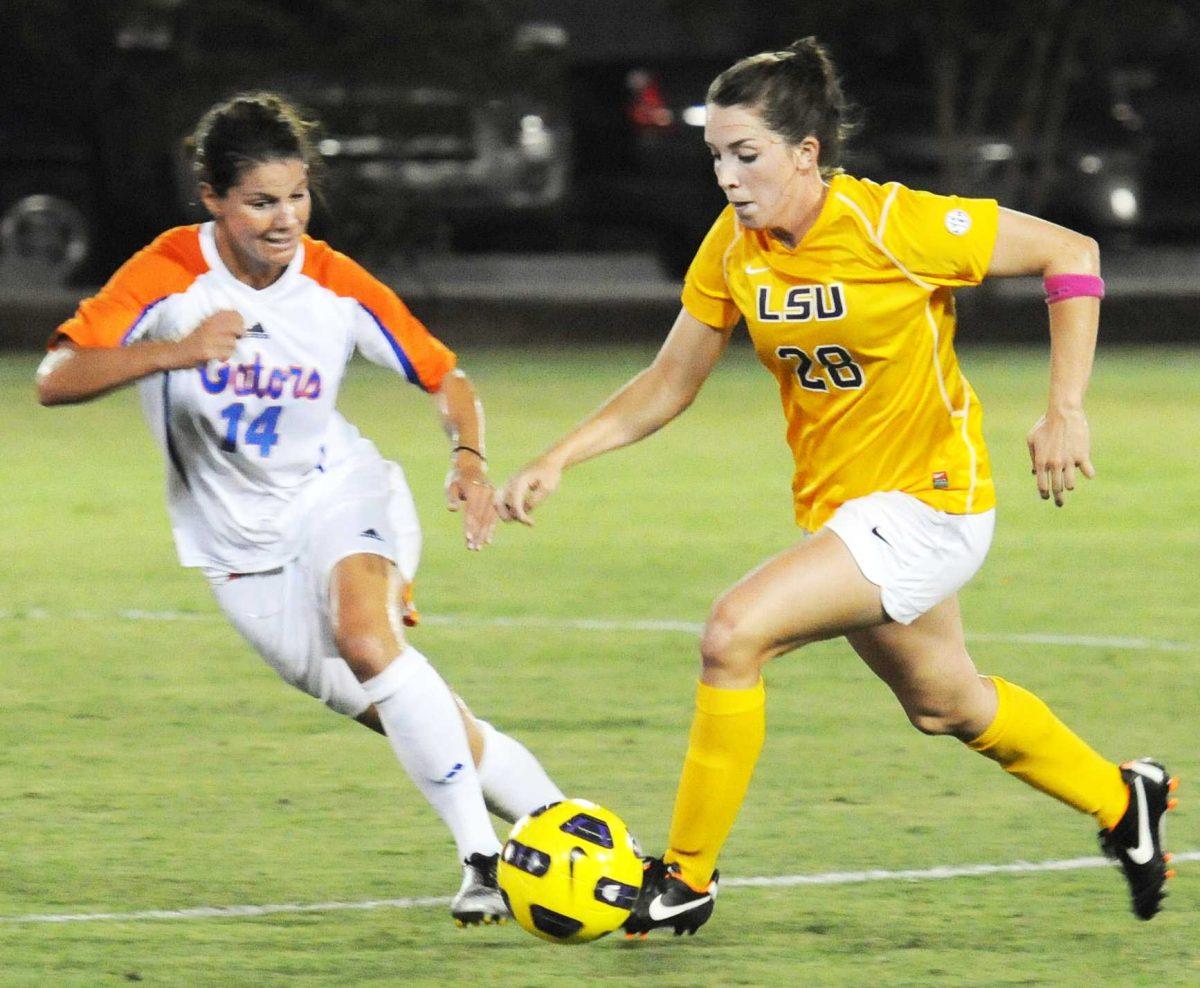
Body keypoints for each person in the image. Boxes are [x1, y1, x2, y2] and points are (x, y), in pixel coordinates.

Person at [498, 38, 1178, 933]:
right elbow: (670, 382)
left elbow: (1073, 253)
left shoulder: (895, 225)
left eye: (748, 156)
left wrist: (1067, 407)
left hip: (932, 504)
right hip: (848, 512)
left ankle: (687, 879)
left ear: (806, 154)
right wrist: (560, 455)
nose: (729, 178)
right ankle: (1121, 800)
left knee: (733, 634)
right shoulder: (734, 247)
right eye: (717, 157)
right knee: (947, 703)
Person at [36, 92, 564, 926]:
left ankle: (482, 862)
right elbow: (54, 378)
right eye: (261, 202)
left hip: (340, 494)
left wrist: (467, 458)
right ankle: (570, 831)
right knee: (416, 714)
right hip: (240, 554)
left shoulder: (333, 283)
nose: (286, 221)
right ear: (212, 198)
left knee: (366, 635)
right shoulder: (170, 272)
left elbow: (445, 377)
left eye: (297, 196)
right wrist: (176, 350)